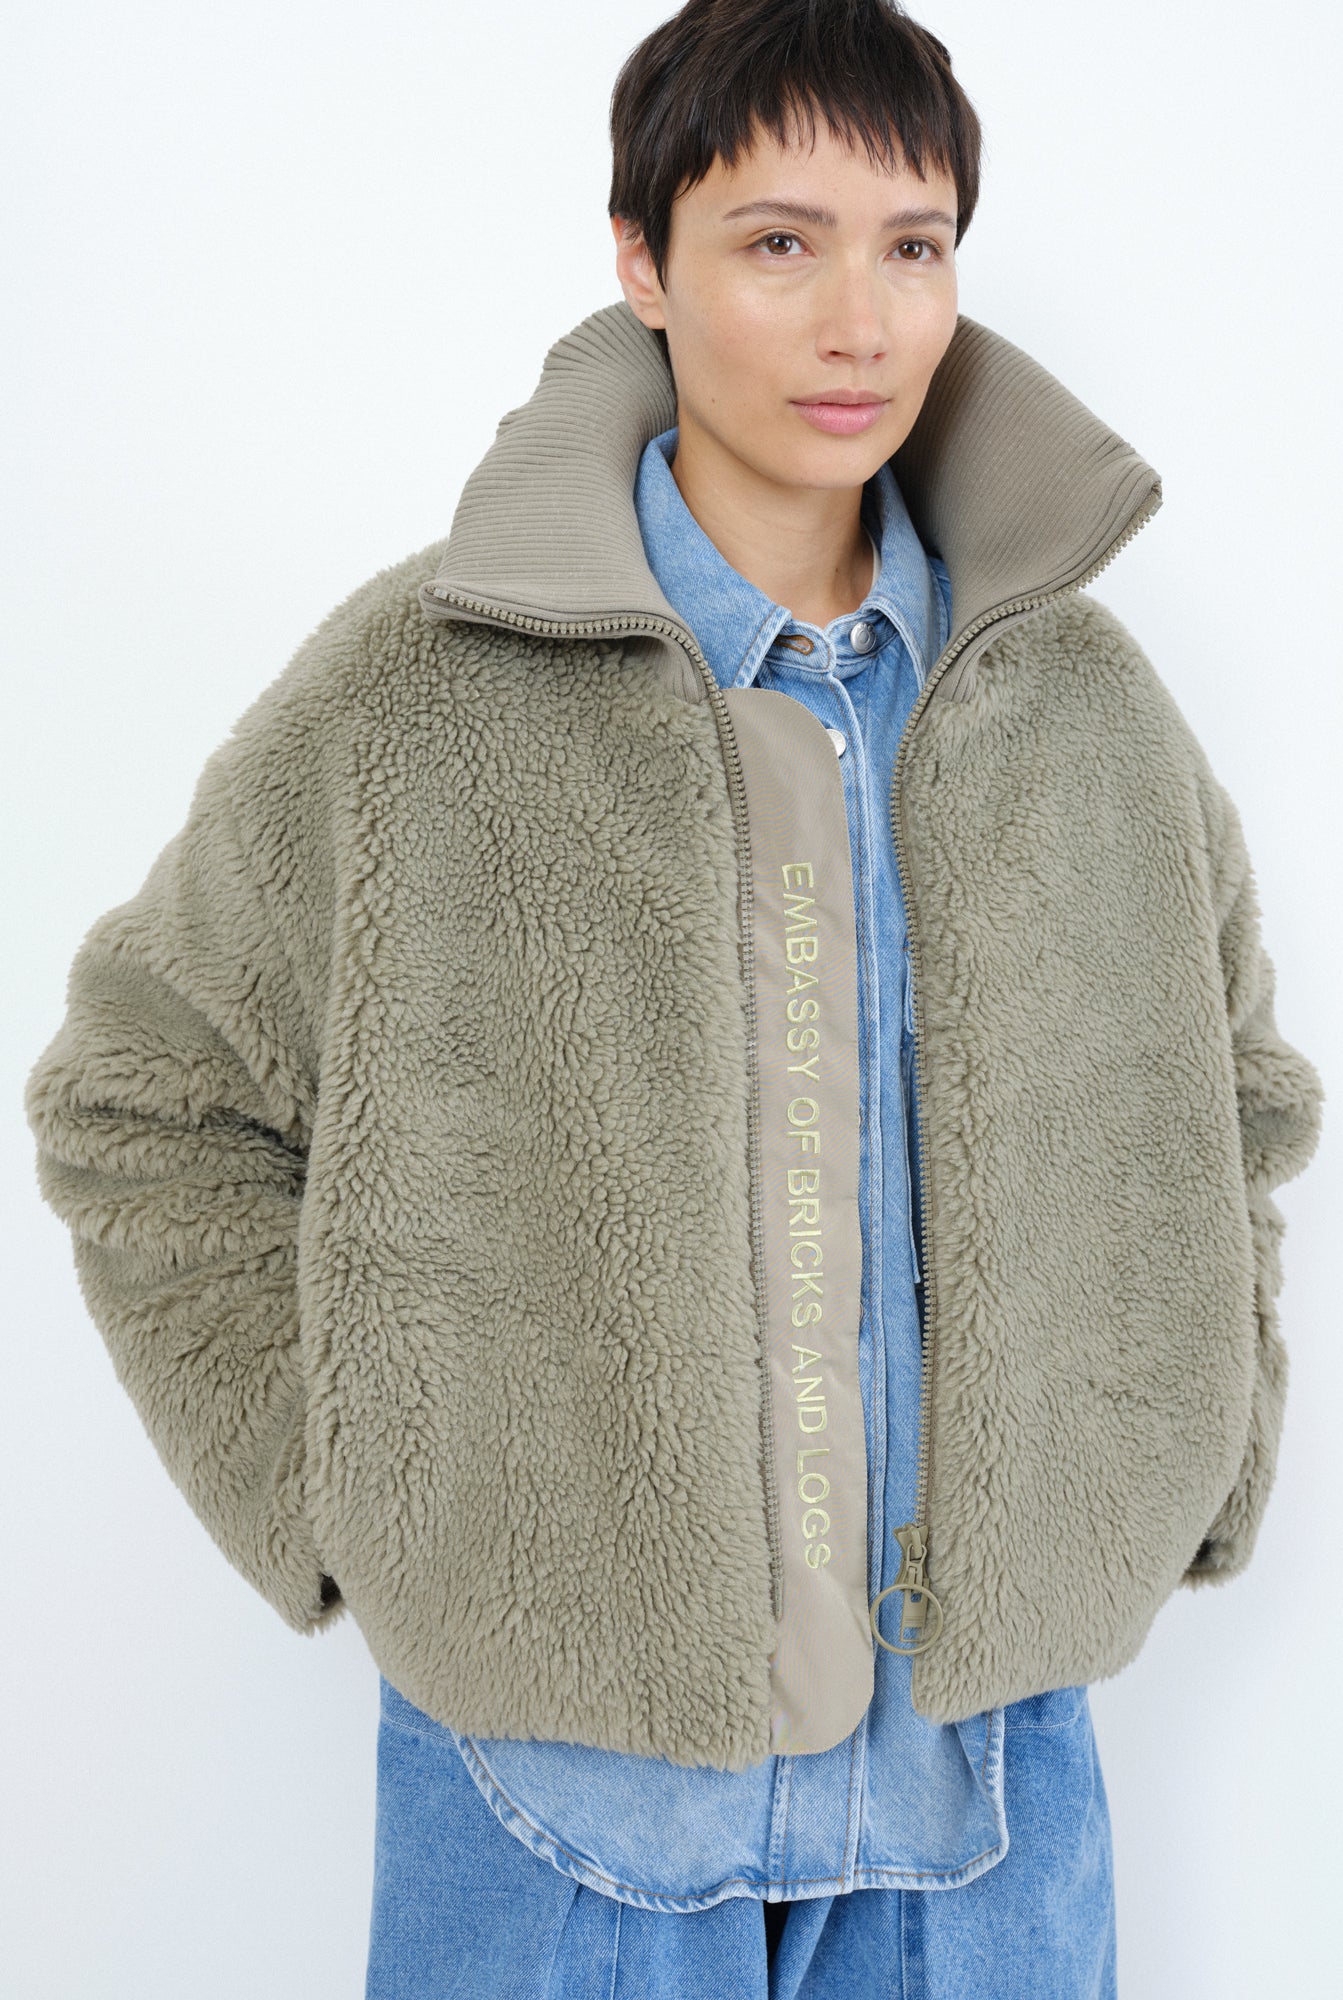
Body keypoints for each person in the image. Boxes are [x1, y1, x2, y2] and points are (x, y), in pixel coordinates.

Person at [23, 2, 1324, 1995]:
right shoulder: (420, 686)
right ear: (643, 261)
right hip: (558, 1791)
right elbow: (145, 1091)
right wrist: (361, 1500)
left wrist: (1194, 1456)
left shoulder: (1080, 702)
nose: (860, 323)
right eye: (779, 242)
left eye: (913, 246)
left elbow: (1235, 1106)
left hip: (983, 1784)